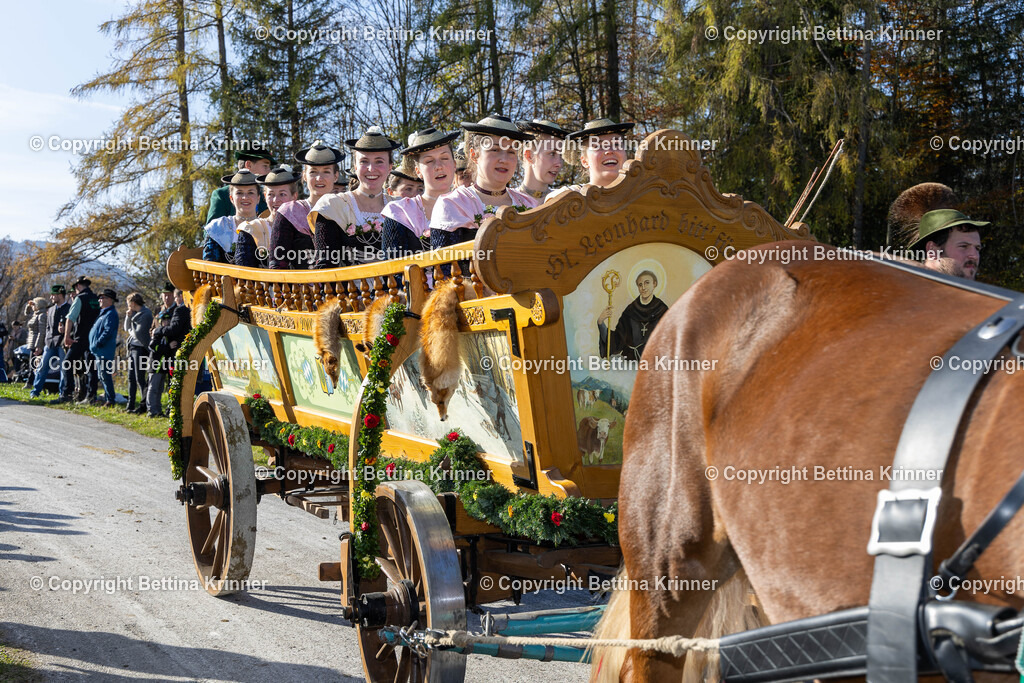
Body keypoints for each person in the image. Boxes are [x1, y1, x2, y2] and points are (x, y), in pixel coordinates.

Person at [430, 114, 539, 252]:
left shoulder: (530, 205)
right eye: (495, 150)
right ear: (474, 155)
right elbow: (444, 268)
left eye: (511, 151)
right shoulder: (453, 205)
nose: (504, 159)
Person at [312, 128, 401, 267]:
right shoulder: (333, 206)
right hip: (347, 287)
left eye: (379, 161)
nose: (371, 168)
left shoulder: (400, 208)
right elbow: (326, 265)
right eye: (364, 161)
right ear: (355, 166)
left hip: (395, 287)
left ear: (390, 167)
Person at [381, 127, 460, 261]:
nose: (438, 166)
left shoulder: (471, 204)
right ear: (418, 171)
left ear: (454, 164)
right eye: (429, 161)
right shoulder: (400, 212)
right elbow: (393, 270)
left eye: (444, 158)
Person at [889, 182, 988, 280]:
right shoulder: (904, 292)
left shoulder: (978, 295)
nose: (974, 255)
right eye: (963, 246)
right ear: (932, 250)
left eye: (977, 248)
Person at [271, 140, 344, 269]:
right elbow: (278, 264)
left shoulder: (346, 208)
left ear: (336, 176)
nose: (319, 178)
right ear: (304, 176)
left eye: (326, 171)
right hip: (300, 287)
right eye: (313, 172)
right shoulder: (290, 212)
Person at [549, 118, 634, 201]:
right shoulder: (569, 197)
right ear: (584, 161)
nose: (609, 151)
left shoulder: (641, 193)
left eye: (616, 144)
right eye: (598, 146)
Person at [235, 165, 301, 268]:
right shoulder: (252, 229)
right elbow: (244, 273)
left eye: (282, 194)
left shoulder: (305, 228)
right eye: (271, 194)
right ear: (265, 196)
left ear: (294, 196)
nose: (275, 200)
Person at [596, 270, 669, 361]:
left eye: (647, 283)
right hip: (630, 361)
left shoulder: (663, 310)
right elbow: (617, 340)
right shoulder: (630, 311)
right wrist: (600, 322)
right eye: (640, 284)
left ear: (654, 284)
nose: (643, 287)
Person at [147, 285, 191, 417]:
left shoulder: (179, 311)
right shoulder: (159, 318)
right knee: (154, 386)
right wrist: (158, 334)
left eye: (168, 321)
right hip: (156, 360)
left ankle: (163, 410)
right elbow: (152, 345)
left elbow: (174, 329)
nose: (166, 323)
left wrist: (161, 333)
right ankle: (153, 410)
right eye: (164, 321)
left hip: (168, 358)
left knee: (165, 386)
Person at [202, 170, 261, 263]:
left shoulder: (267, 228)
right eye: (239, 193)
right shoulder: (218, 227)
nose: (245, 197)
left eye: (250, 192)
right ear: (231, 198)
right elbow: (210, 266)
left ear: (258, 198)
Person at [63, 276, 102, 403]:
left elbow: (70, 318)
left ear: (78, 286)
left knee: (67, 363)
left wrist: (67, 336)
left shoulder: (80, 298)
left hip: (80, 338)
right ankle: (91, 396)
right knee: (91, 368)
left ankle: (67, 393)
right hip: (94, 338)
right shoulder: (97, 299)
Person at [206, 150, 274, 223]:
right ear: (248, 165)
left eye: (251, 193)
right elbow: (211, 231)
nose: (269, 171)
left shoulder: (267, 196)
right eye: (265, 166)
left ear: (258, 197)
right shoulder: (222, 195)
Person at [31, 285, 69, 399]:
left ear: (60, 295)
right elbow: (47, 327)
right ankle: (35, 392)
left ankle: (63, 393)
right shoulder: (51, 309)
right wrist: (43, 343)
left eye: (53, 295)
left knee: (64, 369)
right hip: (50, 344)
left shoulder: (69, 308)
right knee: (42, 368)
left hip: (62, 344)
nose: (51, 297)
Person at [516, 119, 568, 201]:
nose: (559, 164)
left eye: (561, 155)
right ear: (529, 156)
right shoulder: (508, 202)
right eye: (552, 153)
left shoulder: (563, 201)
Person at [89, 289, 120, 407]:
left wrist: (98, 343)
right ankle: (108, 397)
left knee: (105, 375)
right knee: (101, 375)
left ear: (110, 300)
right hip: (99, 350)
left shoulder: (111, 313)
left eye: (103, 298)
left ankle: (110, 400)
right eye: (100, 298)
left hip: (104, 350)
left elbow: (108, 331)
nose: (100, 300)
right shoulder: (104, 312)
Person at [123, 292, 152, 413]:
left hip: (141, 348)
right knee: (131, 377)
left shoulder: (145, 314)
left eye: (129, 304)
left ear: (133, 303)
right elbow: (126, 328)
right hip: (132, 347)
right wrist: (128, 317)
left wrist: (130, 328)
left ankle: (143, 404)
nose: (128, 306)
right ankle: (130, 404)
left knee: (140, 377)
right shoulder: (134, 314)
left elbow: (138, 333)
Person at [18, 297, 49, 388]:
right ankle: (31, 382)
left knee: (35, 364)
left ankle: (32, 383)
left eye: (34, 304)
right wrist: (28, 305)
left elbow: (41, 332)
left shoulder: (42, 315)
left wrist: (38, 346)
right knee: (31, 364)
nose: (33, 306)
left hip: (37, 343)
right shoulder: (36, 314)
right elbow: (26, 313)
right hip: (32, 342)